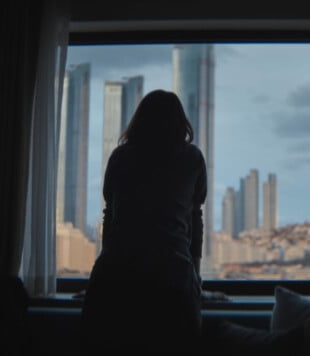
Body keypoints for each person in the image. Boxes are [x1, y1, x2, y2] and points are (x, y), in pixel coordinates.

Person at [81, 89, 209, 355]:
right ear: (180, 122)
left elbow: (110, 216)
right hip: (172, 278)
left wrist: (106, 266)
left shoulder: (120, 158)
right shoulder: (192, 159)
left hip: (115, 276)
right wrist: (194, 278)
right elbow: (194, 220)